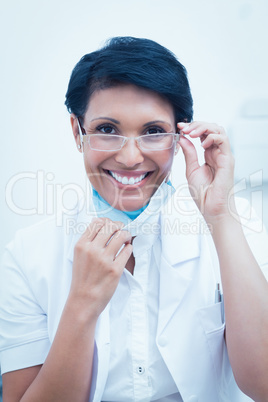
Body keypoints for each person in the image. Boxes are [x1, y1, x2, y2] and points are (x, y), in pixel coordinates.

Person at [0, 36, 268, 402]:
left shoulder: (237, 227)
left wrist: (219, 215)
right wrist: (82, 302)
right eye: (107, 130)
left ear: (180, 137)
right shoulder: (26, 255)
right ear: (78, 132)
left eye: (153, 132)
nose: (129, 158)